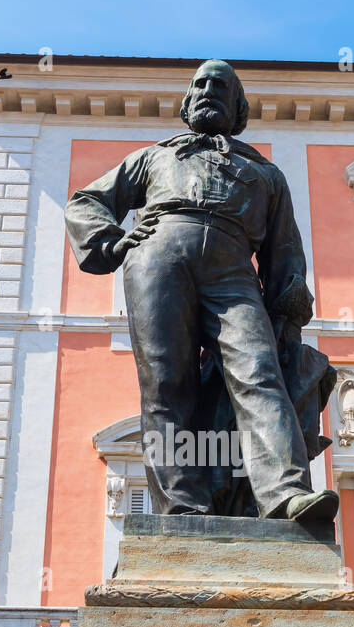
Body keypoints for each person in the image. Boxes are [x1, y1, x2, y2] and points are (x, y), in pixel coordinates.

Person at [64, 60, 339, 523]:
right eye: (201, 84)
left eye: (221, 86)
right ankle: (181, 505)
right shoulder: (155, 157)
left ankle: (285, 494)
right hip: (157, 258)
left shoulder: (266, 174)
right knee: (166, 384)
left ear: (238, 107)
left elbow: (284, 249)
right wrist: (113, 241)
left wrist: (288, 309)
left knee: (259, 372)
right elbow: (86, 201)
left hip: (233, 270)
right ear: (189, 101)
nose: (209, 89)